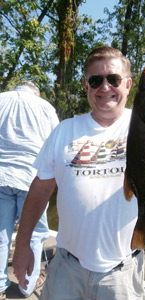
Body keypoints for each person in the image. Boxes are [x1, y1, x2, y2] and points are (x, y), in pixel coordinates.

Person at [13, 47, 145, 300]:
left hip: (122, 271)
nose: (105, 87)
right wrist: (23, 244)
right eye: (96, 80)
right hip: (67, 267)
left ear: (127, 85)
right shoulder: (64, 130)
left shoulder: (143, 122)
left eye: (113, 79)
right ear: (86, 86)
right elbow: (39, 190)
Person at [0, 81, 59, 299]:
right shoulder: (45, 107)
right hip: (31, 180)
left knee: (1, 235)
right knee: (35, 234)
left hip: (0, 178)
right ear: (36, 92)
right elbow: (56, 142)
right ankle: (28, 285)